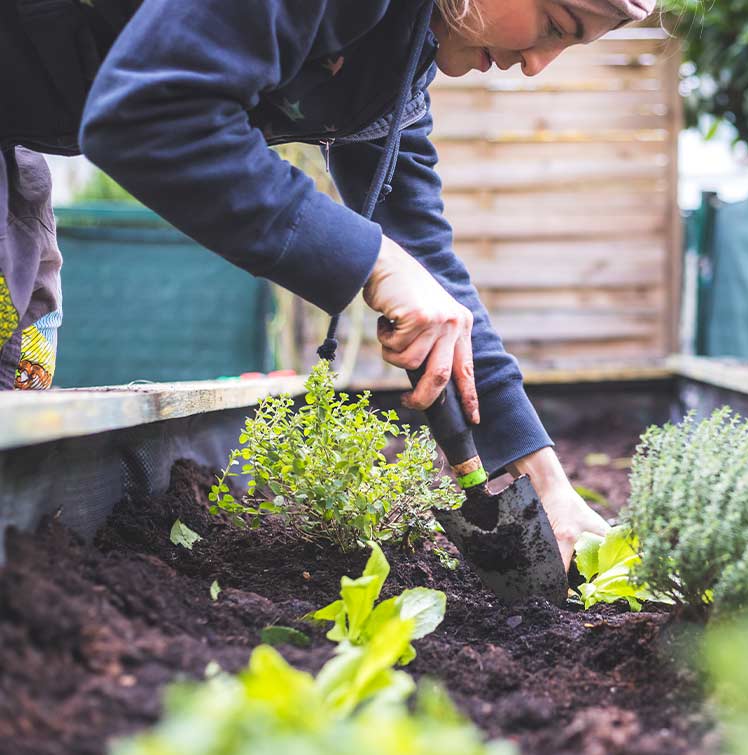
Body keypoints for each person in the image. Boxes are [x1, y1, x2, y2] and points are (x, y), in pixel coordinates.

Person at [0, 0, 655, 566]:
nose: (540, 64)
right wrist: (374, 260)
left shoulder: (394, 57)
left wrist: (540, 474)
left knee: (16, 370)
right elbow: (146, 114)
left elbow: (428, 261)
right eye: (555, 23)